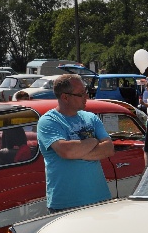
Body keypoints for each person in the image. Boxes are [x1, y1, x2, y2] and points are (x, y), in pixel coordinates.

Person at [36, 74, 114, 213]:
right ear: (65, 97)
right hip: (66, 204)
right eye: (81, 94)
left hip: (100, 199)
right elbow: (67, 151)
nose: (86, 97)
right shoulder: (49, 121)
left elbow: (109, 148)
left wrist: (78, 152)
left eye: (86, 92)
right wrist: (93, 141)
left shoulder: (91, 117)